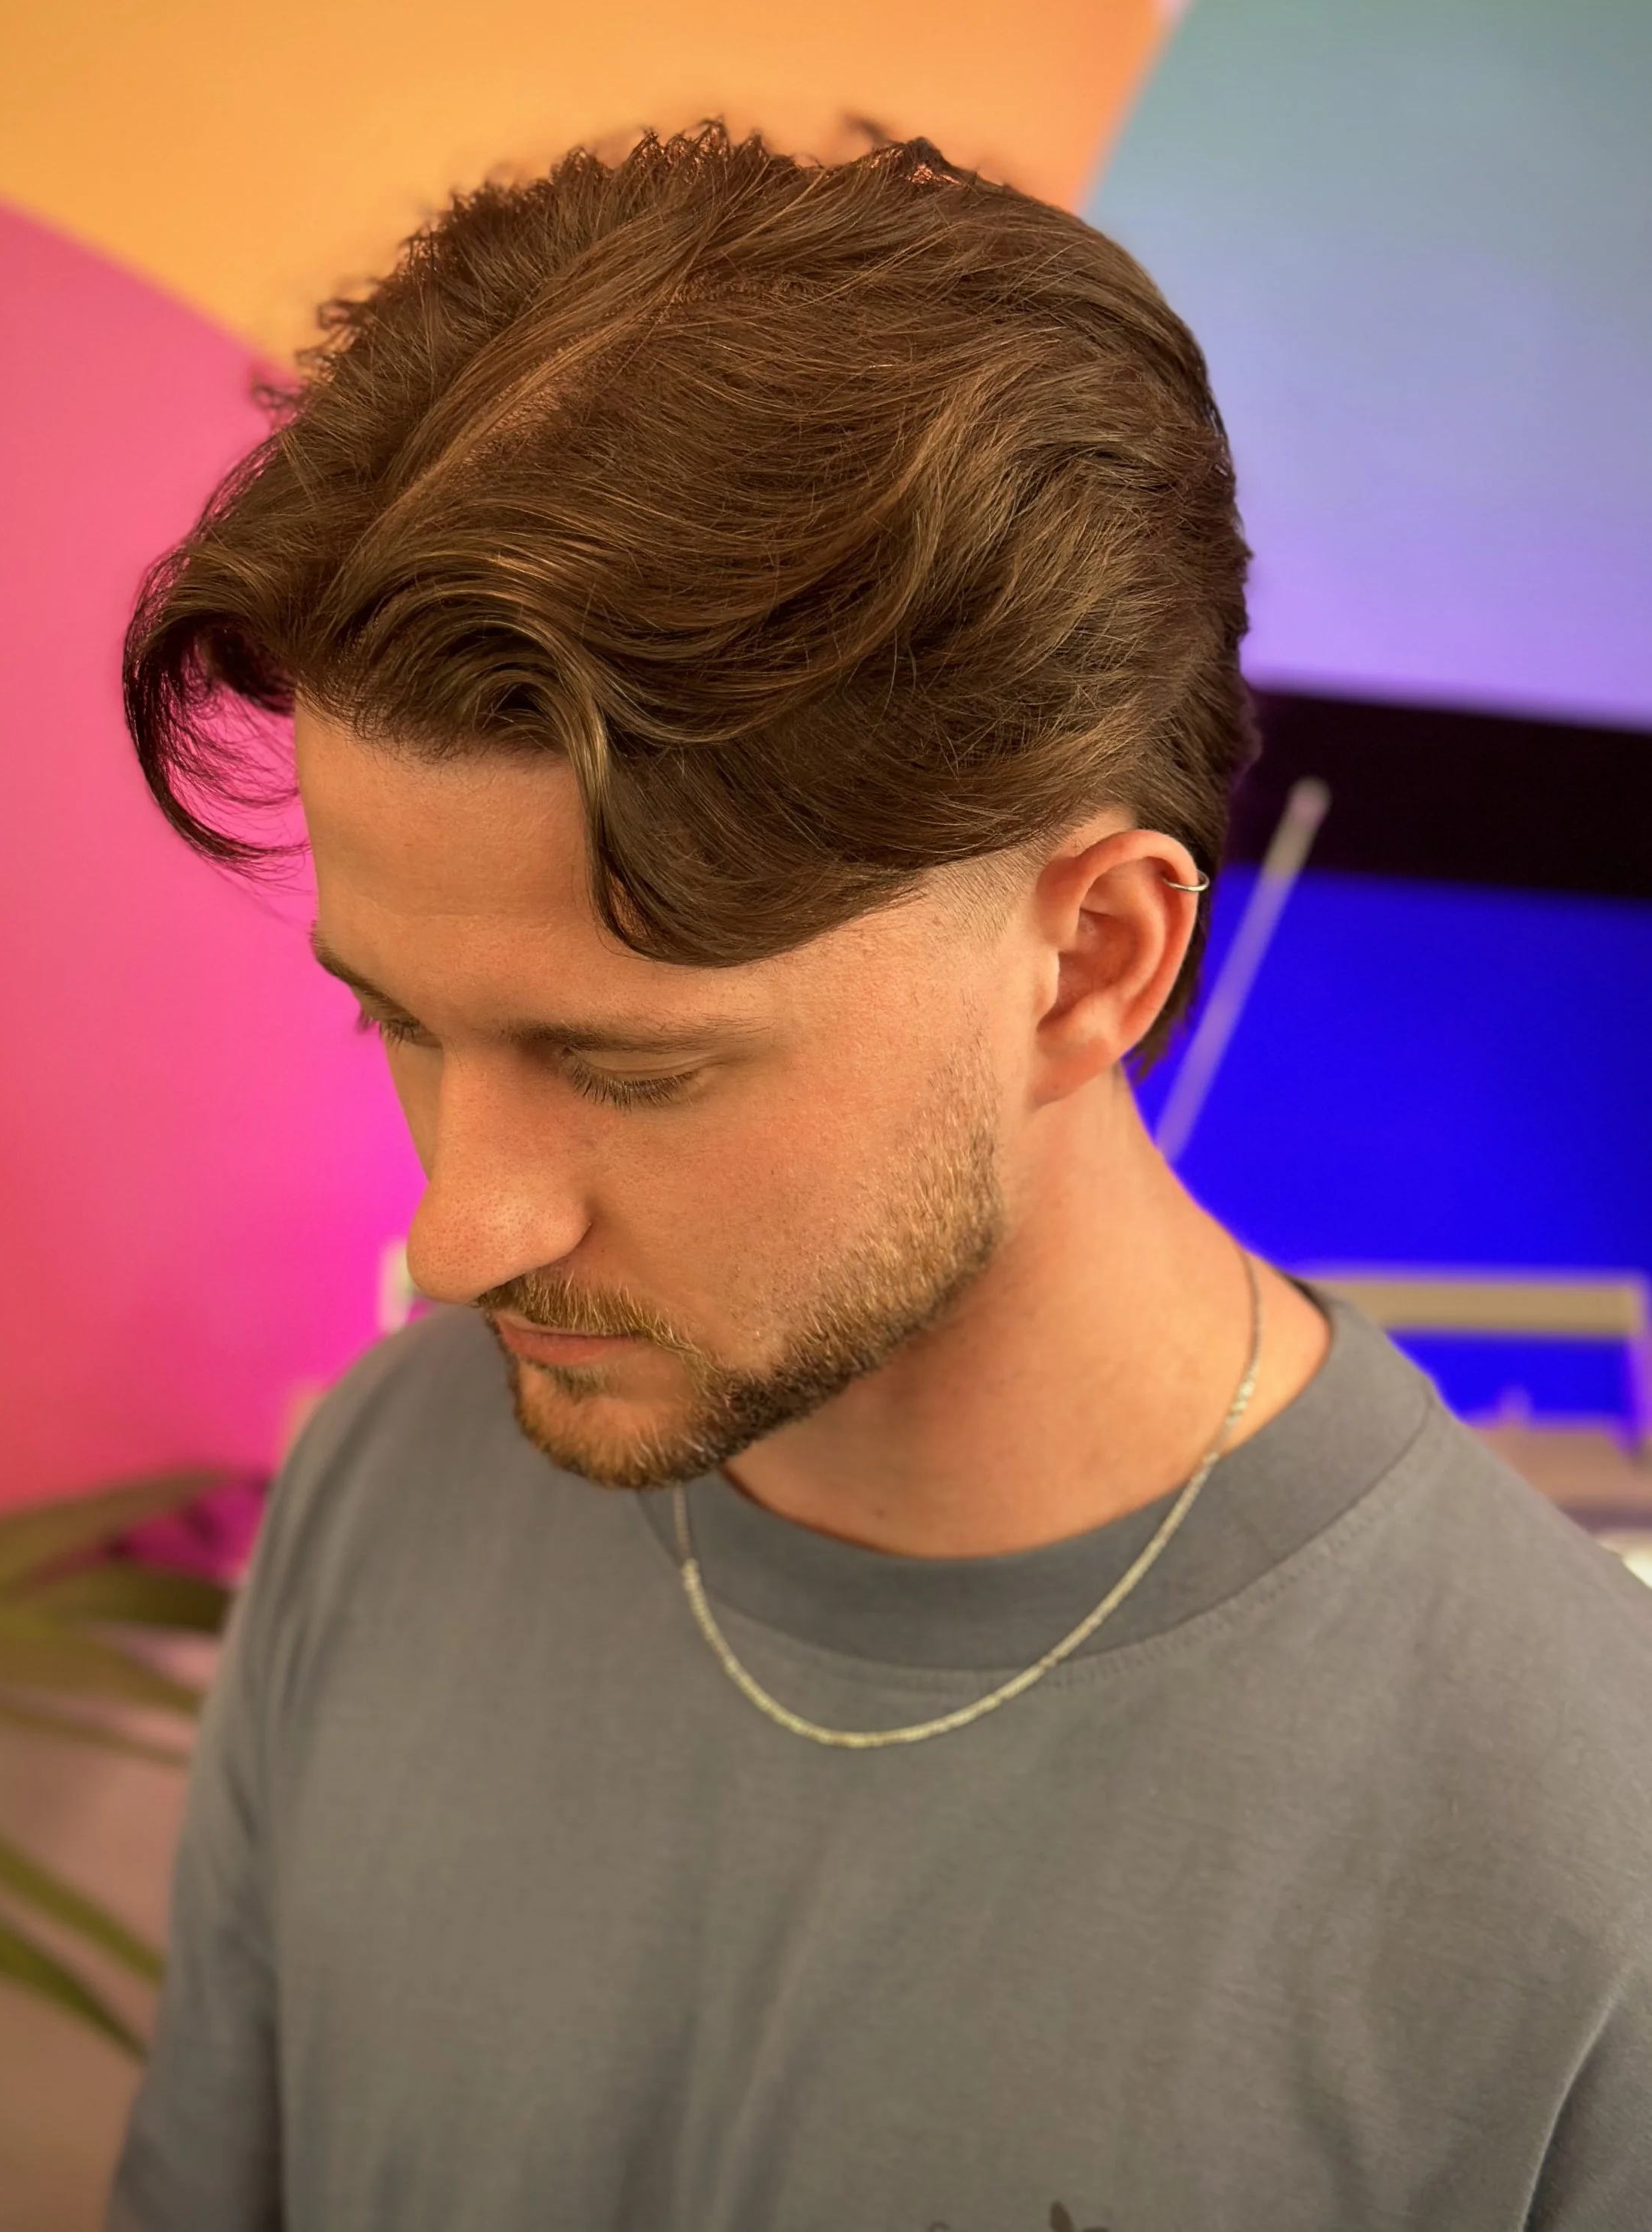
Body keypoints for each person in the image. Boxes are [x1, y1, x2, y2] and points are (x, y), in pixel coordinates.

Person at [110, 127, 1652, 2231]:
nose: (457, 1234)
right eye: (395, 1018)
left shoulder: (1587, 1850)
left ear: (1091, 955)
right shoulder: (385, 1489)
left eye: (626, 1065)